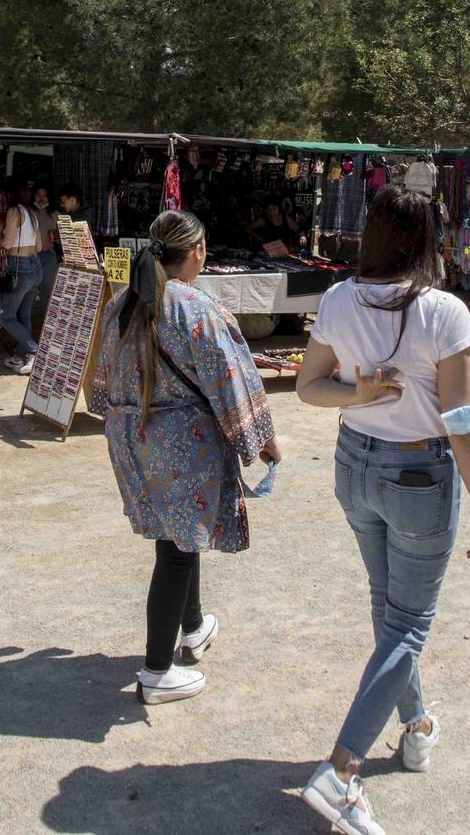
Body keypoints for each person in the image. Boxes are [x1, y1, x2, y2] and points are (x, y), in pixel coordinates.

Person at [294, 186, 470, 835]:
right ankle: (340, 770)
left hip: (355, 465)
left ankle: (416, 725)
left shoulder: (338, 297)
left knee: (391, 611)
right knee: (407, 622)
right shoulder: (444, 312)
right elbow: (462, 421)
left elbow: (308, 386)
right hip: (416, 473)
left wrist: (361, 389)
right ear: (426, 238)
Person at [89, 210, 280, 705]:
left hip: (132, 438)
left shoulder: (120, 305)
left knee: (178, 535)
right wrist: (261, 441)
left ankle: (192, 626)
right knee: (175, 550)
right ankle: (156, 670)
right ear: (196, 252)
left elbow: (101, 385)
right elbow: (232, 380)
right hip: (181, 444)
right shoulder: (197, 308)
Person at [0, 182, 52, 375]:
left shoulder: (13, 212)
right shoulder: (31, 214)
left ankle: (33, 350)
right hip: (35, 265)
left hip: (19, 267)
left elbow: (7, 244)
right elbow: (38, 246)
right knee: (24, 315)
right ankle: (20, 357)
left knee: (4, 317)